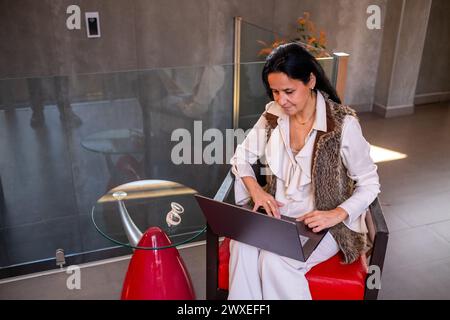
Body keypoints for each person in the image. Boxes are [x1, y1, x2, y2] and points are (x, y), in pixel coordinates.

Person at [228, 42, 380, 300]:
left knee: (276, 260)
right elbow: (241, 157)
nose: (281, 100)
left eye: (288, 91)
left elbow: (370, 183)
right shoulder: (273, 115)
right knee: (241, 246)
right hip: (281, 216)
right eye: (274, 92)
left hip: (325, 224)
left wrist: (336, 213)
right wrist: (257, 192)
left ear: (310, 80)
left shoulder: (343, 124)